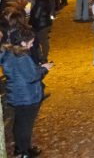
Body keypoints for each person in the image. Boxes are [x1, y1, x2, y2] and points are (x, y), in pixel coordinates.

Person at [0, 28, 53, 158]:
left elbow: (19, 73)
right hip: (27, 96)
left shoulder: (8, 53)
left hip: (16, 94)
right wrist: (44, 69)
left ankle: (20, 149)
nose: (31, 45)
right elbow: (32, 76)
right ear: (23, 43)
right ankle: (25, 152)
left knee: (19, 122)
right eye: (30, 42)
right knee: (26, 125)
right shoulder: (22, 57)